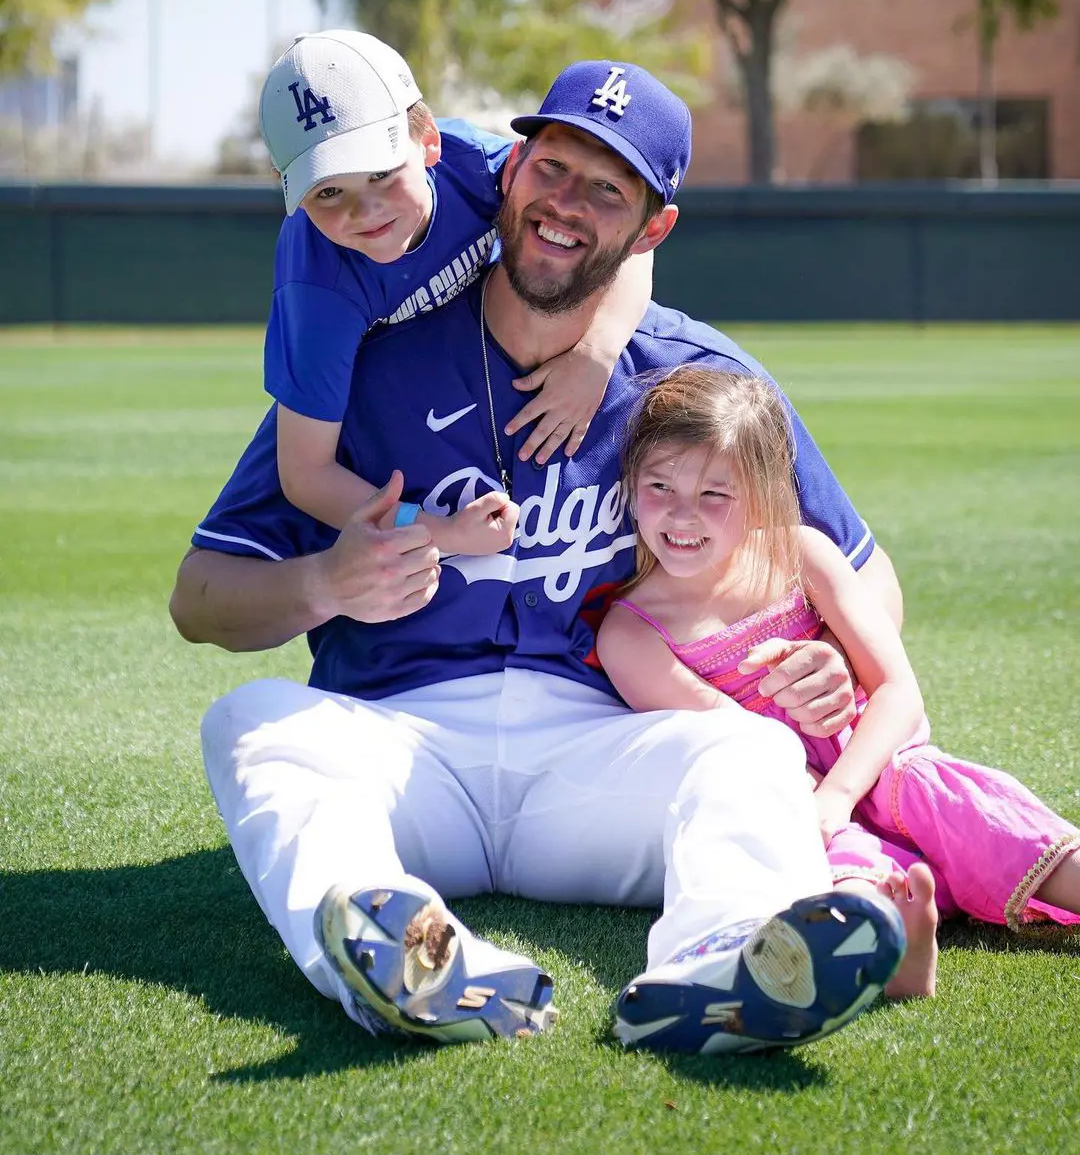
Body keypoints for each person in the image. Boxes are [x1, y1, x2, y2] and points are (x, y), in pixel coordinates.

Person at [171, 59, 910, 1056]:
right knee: (253, 720)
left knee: (750, 749)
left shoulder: (699, 381)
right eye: (553, 169)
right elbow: (200, 597)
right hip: (404, 746)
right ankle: (414, 958)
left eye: (607, 190)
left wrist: (838, 645)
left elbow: (865, 571)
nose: (565, 205)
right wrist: (320, 581)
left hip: (602, 752)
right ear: (508, 169)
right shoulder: (370, 364)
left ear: (652, 229)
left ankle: (726, 968)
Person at [597, 367, 1080, 1000]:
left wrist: (845, 791)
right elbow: (737, 744)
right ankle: (898, 948)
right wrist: (821, 809)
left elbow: (898, 692)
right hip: (795, 799)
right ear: (631, 484)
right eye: (660, 486)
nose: (684, 514)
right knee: (837, 868)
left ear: (764, 491)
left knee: (964, 809)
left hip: (877, 766)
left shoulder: (802, 553)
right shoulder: (631, 634)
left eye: (717, 493)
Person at [258, 29, 652, 549]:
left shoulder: (478, 168)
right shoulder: (318, 285)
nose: (364, 210)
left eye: (380, 172)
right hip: (365, 405)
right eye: (328, 190)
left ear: (428, 143)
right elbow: (306, 475)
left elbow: (634, 241)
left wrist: (596, 354)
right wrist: (437, 532)